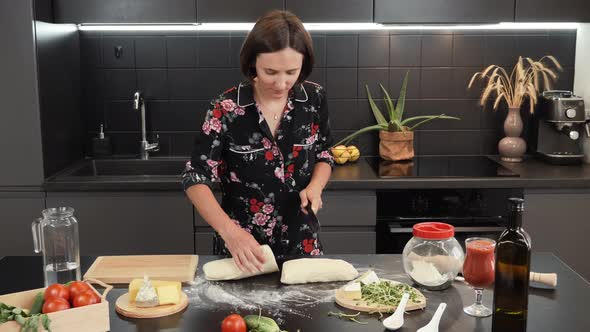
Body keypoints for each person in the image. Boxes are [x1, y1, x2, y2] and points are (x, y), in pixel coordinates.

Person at [181, 10, 334, 273]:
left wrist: (316, 187)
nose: (282, 82)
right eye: (270, 71)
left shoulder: (314, 98)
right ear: (252, 62)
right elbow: (195, 178)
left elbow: (324, 153)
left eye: (291, 72)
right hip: (243, 251)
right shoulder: (226, 108)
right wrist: (230, 233)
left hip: (303, 245)